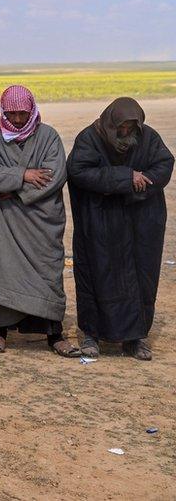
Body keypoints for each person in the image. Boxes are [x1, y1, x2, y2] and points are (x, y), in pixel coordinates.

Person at [0, 85, 79, 357]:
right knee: (1, 271)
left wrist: (15, 190)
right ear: (3, 111)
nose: (18, 120)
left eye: (23, 113)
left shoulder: (48, 137)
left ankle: (53, 333)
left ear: (32, 110)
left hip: (40, 222)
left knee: (48, 272)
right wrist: (22, 175)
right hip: (2, 222)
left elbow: (54, 175)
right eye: (12, 114)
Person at [67, 97, 173, 361]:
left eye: (130, 129)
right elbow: (78, 171)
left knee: (141, 278)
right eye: (121, 129)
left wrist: (140, 183)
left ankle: (135, 338)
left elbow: (164, 164)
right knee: (96, 274)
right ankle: (92, 335)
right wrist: (126, 178)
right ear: (110, 123)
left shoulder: (148, 138)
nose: (125, 134)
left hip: (141, 223)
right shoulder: (90, 138)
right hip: (100, 224)